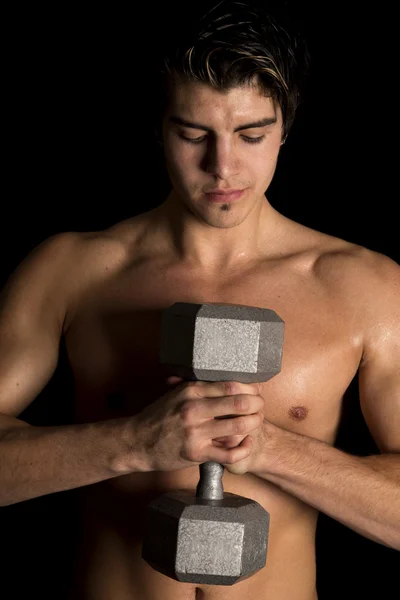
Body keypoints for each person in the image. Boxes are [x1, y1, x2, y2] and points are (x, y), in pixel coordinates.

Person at [1, 1, 399, 599]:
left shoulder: (365, 286)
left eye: (251, 135)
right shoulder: (71, 270)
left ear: (285, 129)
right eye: (193, 134)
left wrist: (270, 448)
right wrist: (131, 444)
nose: (222, 167)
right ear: (158, 128)